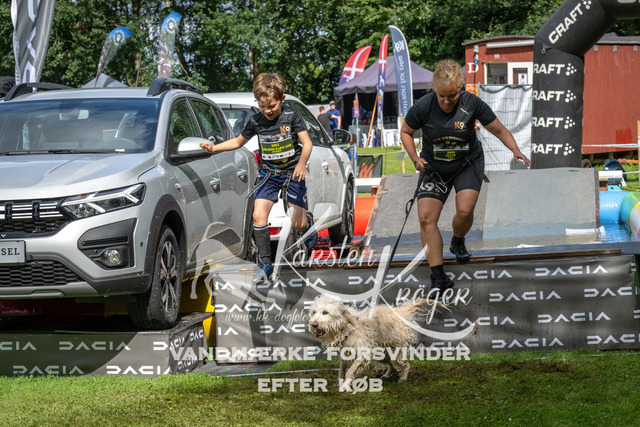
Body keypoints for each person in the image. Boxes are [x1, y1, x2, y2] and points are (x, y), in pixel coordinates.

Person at [400, 59, 531, 293]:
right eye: (442, 96)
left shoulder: (472, 103)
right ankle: (438, 277)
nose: (447, 101)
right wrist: (414, 158)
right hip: (434, 167)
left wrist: (515, 149)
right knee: (426, 219)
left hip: (466, 164)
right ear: (435, 90)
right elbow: (406, 131)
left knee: (464, 211)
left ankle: (458, 239)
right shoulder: (423, 106)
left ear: (460, 89)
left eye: (452, 96)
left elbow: (498, 129)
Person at [200, 73, 318, 283]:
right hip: (269, 174)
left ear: (282, 99)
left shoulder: (291, 116)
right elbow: (237, 142)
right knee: (258, 216)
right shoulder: (255, 121)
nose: (268, 111)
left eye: (272, 106)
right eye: (263, 106)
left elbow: (307, 143)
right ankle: (265, 264)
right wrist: (213, 148)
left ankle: (307, 223)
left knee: (297, 222)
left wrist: (302, 164)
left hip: (293, 171)